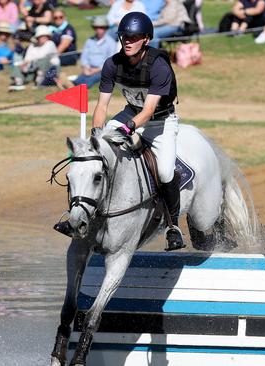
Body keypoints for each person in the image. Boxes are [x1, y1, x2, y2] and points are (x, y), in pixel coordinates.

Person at [55, 12, 186, 251]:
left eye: (133, 37)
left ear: (146, 39)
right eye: (124, 36)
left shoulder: (158, 66)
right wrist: (96, 136)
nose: (127, 40)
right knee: (94, 157)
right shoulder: (112, 64)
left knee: (166, 171)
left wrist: (127, 129)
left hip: (160, 122)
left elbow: (147, 112)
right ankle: (78, 215)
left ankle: (173, 226)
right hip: (129, 113)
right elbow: (102, 105)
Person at [66, 16, 116, 88]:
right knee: (79, 79)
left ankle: (78, 88)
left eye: (101, 27)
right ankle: (72, 85)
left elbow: (110, 62)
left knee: (90, 80)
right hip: (89, 68)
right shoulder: (89, 41)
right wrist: (85, 67)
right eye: (96, 27)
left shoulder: (111, 42)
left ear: (106, 28)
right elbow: (84, 56)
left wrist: (97, 69)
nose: (99, 30)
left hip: (103, 70)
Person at [8, 24, 59, 90]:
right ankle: (18, 82)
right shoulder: (32, 46)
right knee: (18, 65)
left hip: (51, 70)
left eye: (45, 36)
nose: (43, 37)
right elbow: (27, 58)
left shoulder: (50, 44)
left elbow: (42, 56)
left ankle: (39, 82)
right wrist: (24, 64)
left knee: (43, 60)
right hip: (34, 69)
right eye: (41, 36)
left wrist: (29, 62)